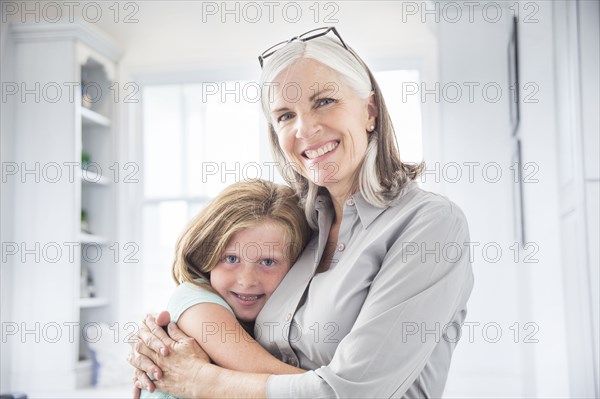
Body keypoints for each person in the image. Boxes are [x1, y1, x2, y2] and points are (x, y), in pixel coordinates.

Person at [129, 26, 474, 398]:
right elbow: (217, 291)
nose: (305, 128)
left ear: (370, 110)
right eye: (284, 115)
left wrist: (200, 381)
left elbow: (351, 393)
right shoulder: (302, 226)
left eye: (324, 100)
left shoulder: (430, 224)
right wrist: (162, 337)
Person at [140, 179, 312, 399]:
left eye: (267, 262)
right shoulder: (196, 301)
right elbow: (281, 383)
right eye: (231, 258)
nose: (247, 280)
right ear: (207, 255)